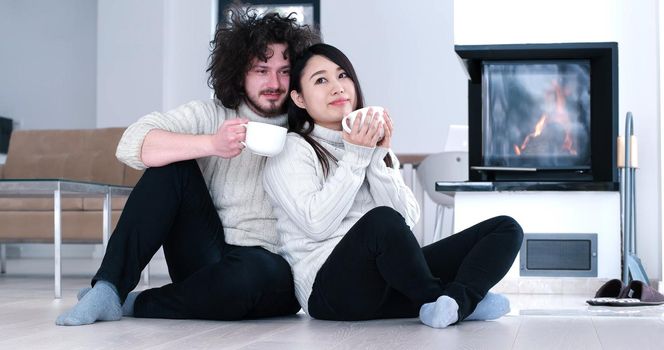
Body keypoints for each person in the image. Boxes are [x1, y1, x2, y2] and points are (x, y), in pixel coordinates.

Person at [55, 7, 320, 326]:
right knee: (170, 167)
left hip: (269, 270)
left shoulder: (310, 128)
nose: (274, 82)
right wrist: (211, 144)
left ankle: (137, 303)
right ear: (239, 72)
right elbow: (131, 143)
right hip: (205, 255)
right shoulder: (210, 114)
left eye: (284, 70)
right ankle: (110, 288)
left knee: (254, 273)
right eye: (261, 70)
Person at [262, 43, 524, 328]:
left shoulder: (370, 147)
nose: (337, 88)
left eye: (343, 76)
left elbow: (406, 221)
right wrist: (357, 156)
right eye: (321, 80)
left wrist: (376, 159)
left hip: (389, 284)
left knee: (506, 228)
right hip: (330, 293)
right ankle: (447, 300)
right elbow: (316, 224)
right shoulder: (292, 149)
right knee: (380, 221)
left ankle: (454, 303)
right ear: (299, 98)